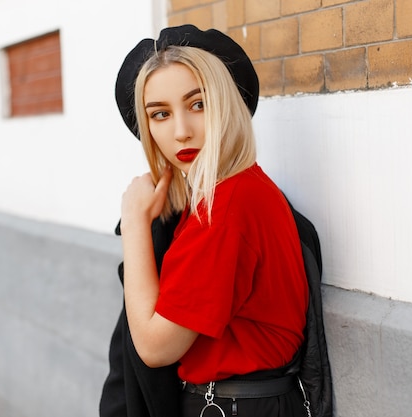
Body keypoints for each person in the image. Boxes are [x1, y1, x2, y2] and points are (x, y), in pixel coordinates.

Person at [100, 24, 330, 417]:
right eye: (160, 114)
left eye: (198, 104)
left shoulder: (225, 204)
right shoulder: (236, 192)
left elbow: (156, 347)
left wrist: (135, 223)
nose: (181, 132)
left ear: (225, 105)